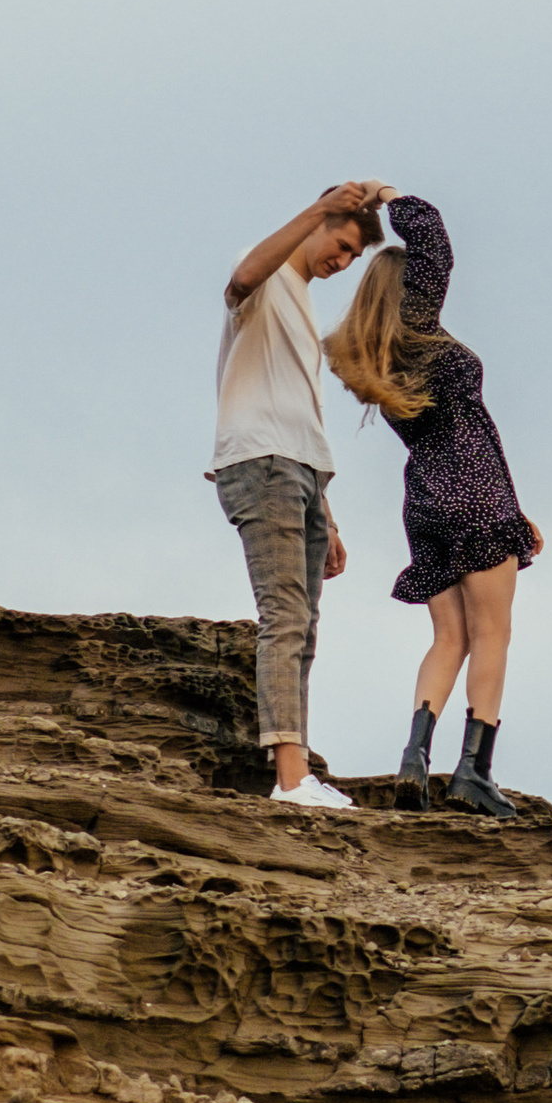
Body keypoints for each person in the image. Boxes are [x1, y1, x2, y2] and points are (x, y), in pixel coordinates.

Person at [325, 192, 542, 819]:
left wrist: (515, 509)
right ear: (410, 291)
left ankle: (414, 760)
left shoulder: (380, 356)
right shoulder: (422, 330)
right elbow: (435, 247)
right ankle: (474, 771)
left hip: (425, 497)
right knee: (492, 634)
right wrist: (390, 198)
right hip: (476, 490)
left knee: (449, 637)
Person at [210, 179, 388, 815]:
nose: (340, 263)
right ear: (319, 222)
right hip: (262, 462)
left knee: (304, 627)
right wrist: (324, 205)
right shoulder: (262, 275)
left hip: (303, 472)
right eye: (339, 245)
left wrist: (329, 515)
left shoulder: (303, 304)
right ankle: (290, 781)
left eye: (350, 257)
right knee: (284, 618)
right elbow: (241, 278)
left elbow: (303, 407)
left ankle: (296, 770)